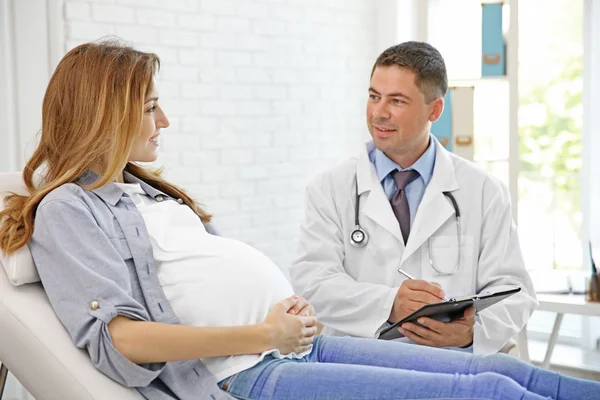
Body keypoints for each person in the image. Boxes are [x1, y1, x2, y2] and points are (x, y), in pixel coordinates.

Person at [1, 40, 598, 400]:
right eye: (151, 106)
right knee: (490, 392)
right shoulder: (69, 210)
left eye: (397, 100)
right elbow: (121, 340)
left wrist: (289, 318)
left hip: (304, 347)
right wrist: (266, 333)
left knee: (505, 370)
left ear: (433, 110)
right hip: (253, 369)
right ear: (108, 112)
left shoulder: (146, 193)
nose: (165, 120)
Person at [289, 41, 537, 354]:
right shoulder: (330, 188)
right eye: (374, 96)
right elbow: (311, 283)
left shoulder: (485, 191)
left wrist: (470, 334)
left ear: (434, 109)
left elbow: (514, 291)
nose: (379, 113)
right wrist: (389, 303)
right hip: (359, 364)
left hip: (452, 367)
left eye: (397, 101)